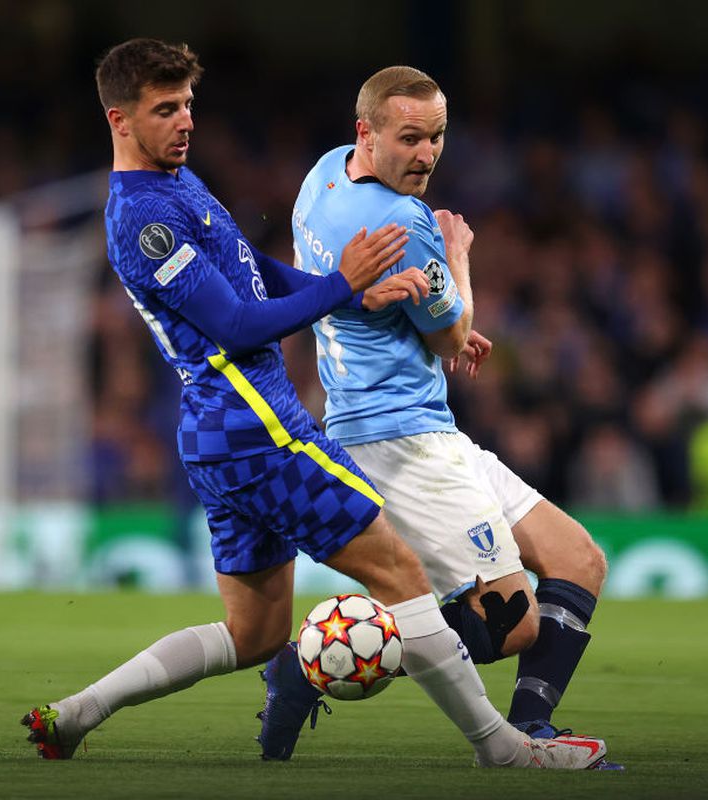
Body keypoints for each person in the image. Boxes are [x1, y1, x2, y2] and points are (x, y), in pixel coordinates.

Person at [21, 38, 607, 771]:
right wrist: (339, 287)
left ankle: (76, 714)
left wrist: (349, 292)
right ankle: (505, 749)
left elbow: (256, 271)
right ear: (119, 118)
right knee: (402, 574)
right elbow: (233, 325)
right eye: (165, 110)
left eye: (188, 107)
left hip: (218, 435)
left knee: (253, 634)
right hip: (255, 428)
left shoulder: (176, 182)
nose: (184, 123)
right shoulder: (145, 219)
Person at [258, 65, 614, 763]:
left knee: (578, 558)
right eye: (411, 138)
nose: (426, 155)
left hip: (411, 426)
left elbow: (359, 298)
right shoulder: (404, 221)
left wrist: (391, 310)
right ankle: (307, 663)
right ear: (368, 132)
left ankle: (532, 729)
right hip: (399, 440)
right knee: (510, 622)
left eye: (437, 137)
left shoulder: (323, 175)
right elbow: (452, 340)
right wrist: (459, 253)